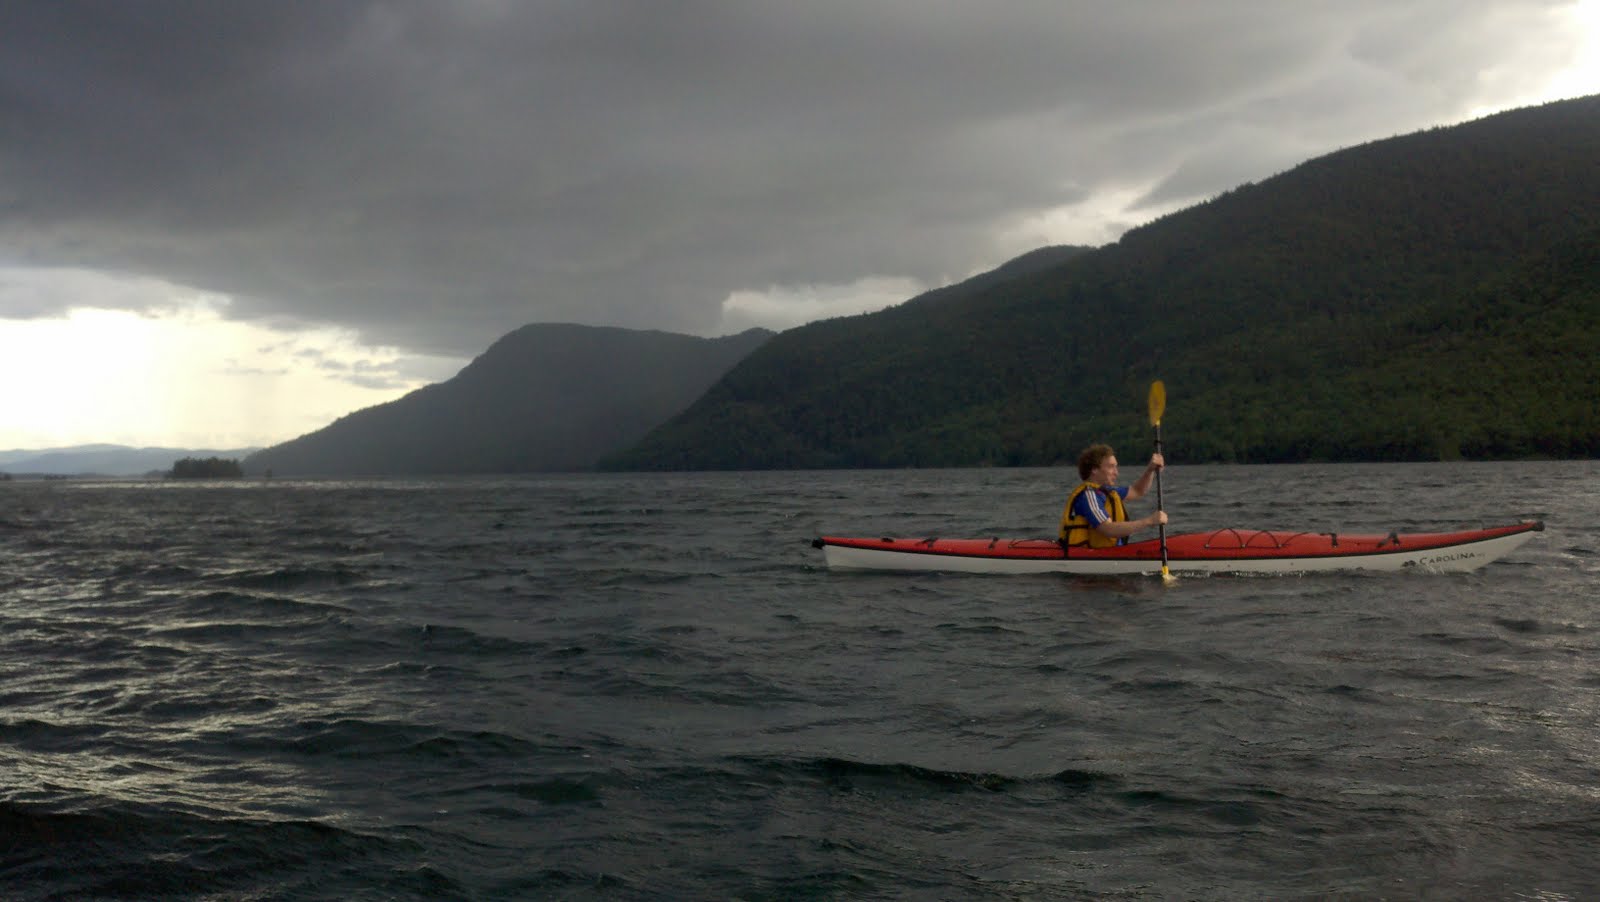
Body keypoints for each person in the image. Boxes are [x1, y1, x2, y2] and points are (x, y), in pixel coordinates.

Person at [1059, 444, 1167, 548]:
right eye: (1111, 467)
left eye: (1116, 467)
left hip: (1113, 551)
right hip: (1095, 556)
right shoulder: (1088, 496)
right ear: (1094, 469)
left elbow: (1138, 490)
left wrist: (1150, 470)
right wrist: (1148, 521)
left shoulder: (1108, 491)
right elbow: (1107, 529)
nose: (1116, 473)